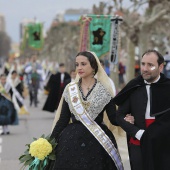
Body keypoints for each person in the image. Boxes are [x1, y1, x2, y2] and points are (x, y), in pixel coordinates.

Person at [48, 51, 131, 170]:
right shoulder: (70, 89)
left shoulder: (104, 90)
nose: (79, 68)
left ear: (93, 66)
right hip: (70, 141)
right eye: (77, 65)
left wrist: (125, 119)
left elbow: (113, 118)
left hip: (98, 142)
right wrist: (49, 142)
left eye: (83, 64)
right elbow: (63, 120)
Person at [114, 49, 170, 170]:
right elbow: (119, 115)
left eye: (150, 65)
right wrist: (136, 132)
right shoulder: (134, 86)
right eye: (143, 64)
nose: (145, 68)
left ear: (160, 67)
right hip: (138, 142)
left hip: (164, 144)